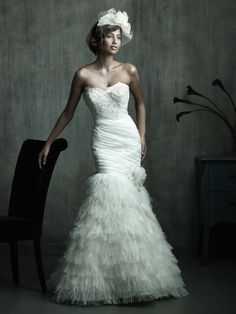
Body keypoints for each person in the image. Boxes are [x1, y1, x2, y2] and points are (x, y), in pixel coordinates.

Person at [38, 8, 189, 306]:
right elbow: (68, 112)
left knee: (129, 202)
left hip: (127, 138)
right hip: (103, 141)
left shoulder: (129, 70)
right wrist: (48, 141)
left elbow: (141, 104)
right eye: (110, 35)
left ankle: (137, 277)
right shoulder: (82, 74)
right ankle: (106, 280)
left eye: (119, 36)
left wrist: (142, 136)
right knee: (107, 197)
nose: (116, 41)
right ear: (99, 38)